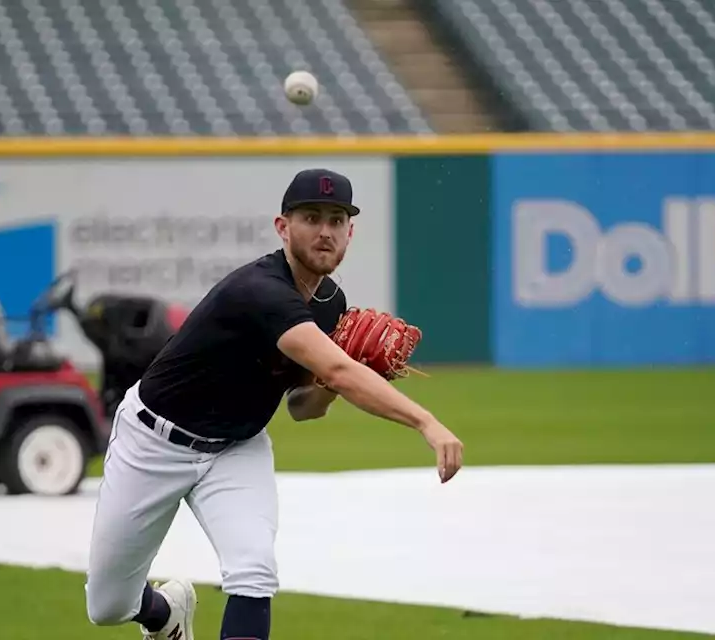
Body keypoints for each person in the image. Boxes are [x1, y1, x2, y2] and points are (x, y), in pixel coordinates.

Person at [83, 168, 464, 640]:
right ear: (283, 227)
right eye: (311, 217)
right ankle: (165, 617)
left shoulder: (330, 303)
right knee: (107, 605)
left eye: (336, 219)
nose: (325, 230)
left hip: (235, 449)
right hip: (153, 440)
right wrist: (425, 421)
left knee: (254, 569)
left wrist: (328, 379)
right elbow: (344, 372)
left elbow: (304, 407)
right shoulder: (260, 290)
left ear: (350, 231)